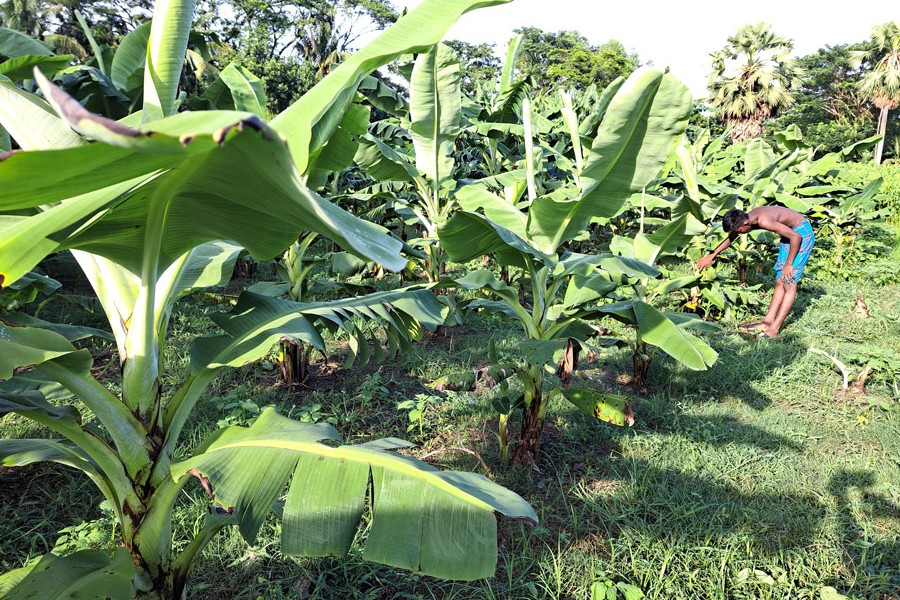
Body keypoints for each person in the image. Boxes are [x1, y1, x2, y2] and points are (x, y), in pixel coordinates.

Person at [695, 206, 815, 339]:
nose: (739, 234)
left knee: (789, 282)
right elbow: (732, 237)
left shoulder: (764, 221)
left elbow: (796, 237)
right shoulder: (747, 218)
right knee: (779, 281)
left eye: (739, 231)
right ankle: (767, 323)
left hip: (801, 235)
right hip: (789, 236)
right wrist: (712, 255)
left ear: (745, 224)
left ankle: (774, 331)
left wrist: (789, 264)